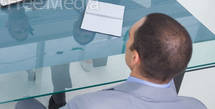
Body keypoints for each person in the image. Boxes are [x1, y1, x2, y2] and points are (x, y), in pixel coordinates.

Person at [16, 13, 206, 109]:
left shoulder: (89, 104)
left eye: (129, 37)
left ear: (135, 57)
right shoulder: (197, 106)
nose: (126, 41)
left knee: (24, 104)